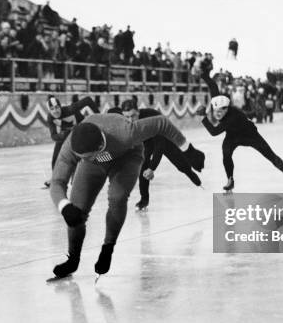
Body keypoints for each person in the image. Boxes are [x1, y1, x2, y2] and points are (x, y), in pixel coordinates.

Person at [49, 113, 205, 279]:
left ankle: (108, 248)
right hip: (94, 163)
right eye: (79, 157)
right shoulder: (72, 147)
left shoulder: (125, 132)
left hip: (127, 156)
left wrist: (188, 149)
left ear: (100, 145)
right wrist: (64, 206)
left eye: (84, 157)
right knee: (76, 209)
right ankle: (73, 259)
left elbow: (162, 123)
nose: (78, 160)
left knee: (117, 197)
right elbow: (57, 182)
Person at [198, 72, 283, 191]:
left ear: (226, 109)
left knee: (270, 155)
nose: (217, 114)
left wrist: (203, 118)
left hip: (250, 135)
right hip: (232, 135)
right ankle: (230, 179)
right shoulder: (218, 100)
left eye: (220, 112)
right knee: (226, 153)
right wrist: (203, 74)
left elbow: (214, 132)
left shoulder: (232, 117)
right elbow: (213, 86)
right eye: (215, 110)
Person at [120, 99, 202, 210]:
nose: (130, 120)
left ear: (138, 111)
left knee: (181, 166)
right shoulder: (123, 121)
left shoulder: (153, 118)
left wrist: (152, 168)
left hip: (165, 139)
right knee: (143, 169)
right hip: (147, 141)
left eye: (133, 116)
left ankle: (191, 173)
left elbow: (160, 146)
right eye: (126, 117)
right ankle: (144, 200)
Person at [44, 96, 99, 187]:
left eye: (57, 107)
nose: (55, 111)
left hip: (80, 132)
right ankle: (55, 177)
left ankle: (77, 178)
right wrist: (63, 135)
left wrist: (98, 114)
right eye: (52, 109)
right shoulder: (50, 118)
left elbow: (88, 100)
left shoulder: (70, 109)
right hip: (67, 134)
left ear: (60, 107)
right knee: (57, 154)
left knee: (78, 155)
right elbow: (53, 136)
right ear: (49, 110)